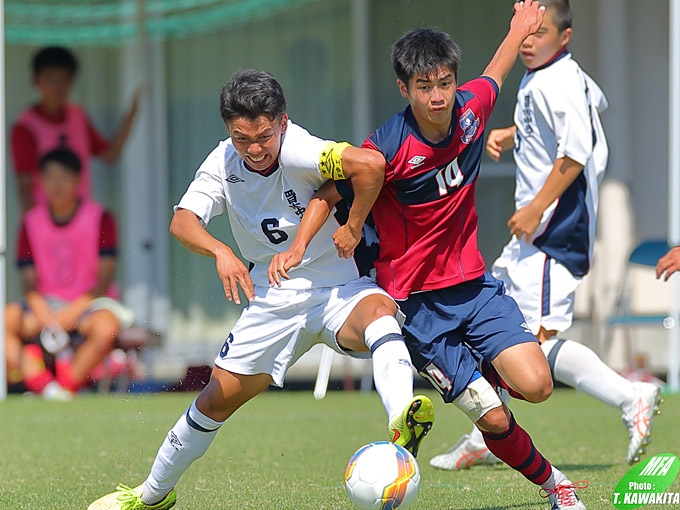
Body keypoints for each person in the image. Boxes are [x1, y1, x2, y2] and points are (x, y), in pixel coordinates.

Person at [273, 2, 589, 508]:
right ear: (405, 89)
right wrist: (301, 244)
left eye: (444, 83)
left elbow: (497, 71)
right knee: (493, 418)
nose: (438, 96)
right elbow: (328, 192)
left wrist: (518, 28)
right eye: (424, 87)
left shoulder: (472, 109)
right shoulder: (389, 147)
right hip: (417, 309)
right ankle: (557, 485)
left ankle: (479, 376)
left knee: (537, 384)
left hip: (474, 288)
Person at [87, 69, 434, 510]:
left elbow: (369, 166)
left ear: (282, 123)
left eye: (264, 136)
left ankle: (400, 420)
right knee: (213, 401)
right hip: (275, 297)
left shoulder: (304, 150)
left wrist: (353, 224)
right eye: (240, 138)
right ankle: (151, 495)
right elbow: (182, 222)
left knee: (380, 312)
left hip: (339, 287)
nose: (253, 149)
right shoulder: (222, 162)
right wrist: (220, 251)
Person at [429, 0, 662, 472]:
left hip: (554, 234)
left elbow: (575, 154)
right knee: (491, 329)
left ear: (565, 37)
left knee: (530, 342)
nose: (530, 41)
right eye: (526, 33)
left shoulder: (559, 81)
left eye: (541, 33)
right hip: (535, 237)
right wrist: (515, 133)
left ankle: (630, 395)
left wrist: (536, 209)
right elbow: (587, 117)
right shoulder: (551, 78)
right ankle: (486, 430)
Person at [4, 148, 129, 400]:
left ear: (77, 180)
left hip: (88, 306)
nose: (56, 184)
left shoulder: (101, 217)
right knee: (5, 320)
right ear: (41, 182)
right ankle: (46, 387)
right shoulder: (30, 222)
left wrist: (69, 314)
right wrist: (46, 315)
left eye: (64, 177)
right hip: (44, 307)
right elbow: (29, 283)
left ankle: (65, 386)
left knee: (106, 328)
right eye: (49, 177)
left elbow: (103, 281)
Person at [11, 46, 139, 212]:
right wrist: (35, 229)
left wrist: (132, 115)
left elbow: (110, 154)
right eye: (50, 79)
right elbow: (24, 187)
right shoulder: (25, 127)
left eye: (63, 79)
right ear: (36, 81)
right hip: (47, 224)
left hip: (80, 220)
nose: (57, 87)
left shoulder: (78, 116)